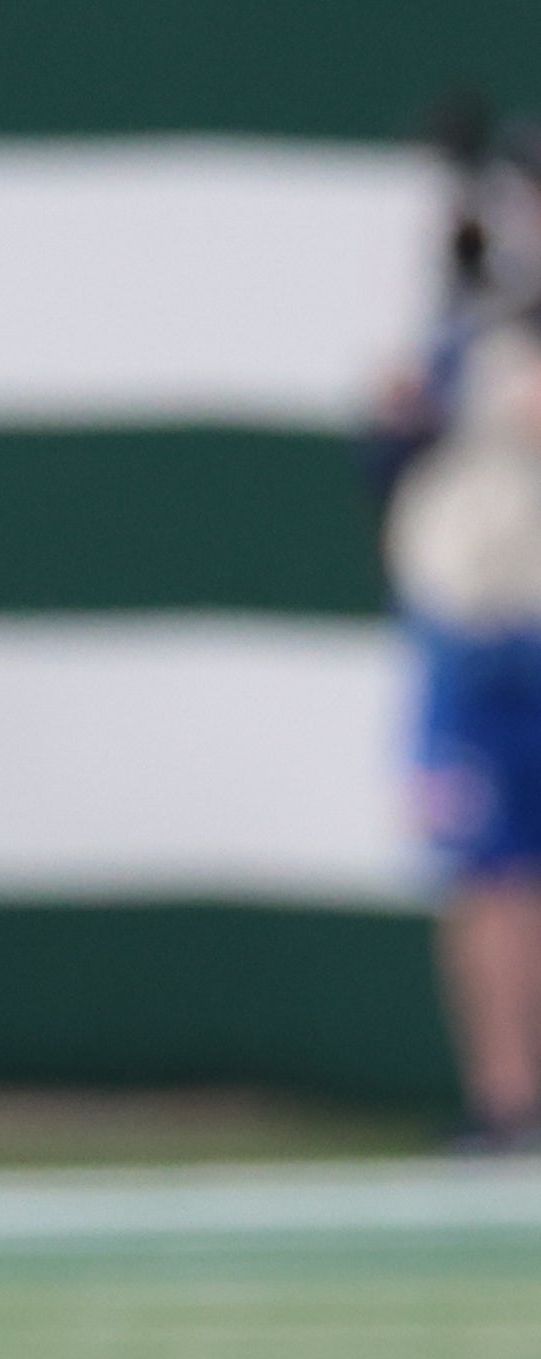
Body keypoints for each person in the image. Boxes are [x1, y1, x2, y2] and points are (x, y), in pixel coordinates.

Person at [377, 106, 541, 1148]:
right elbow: (397, 457)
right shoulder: (473, 323)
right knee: (484, 870)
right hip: (475, 624)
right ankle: (506, 1099)